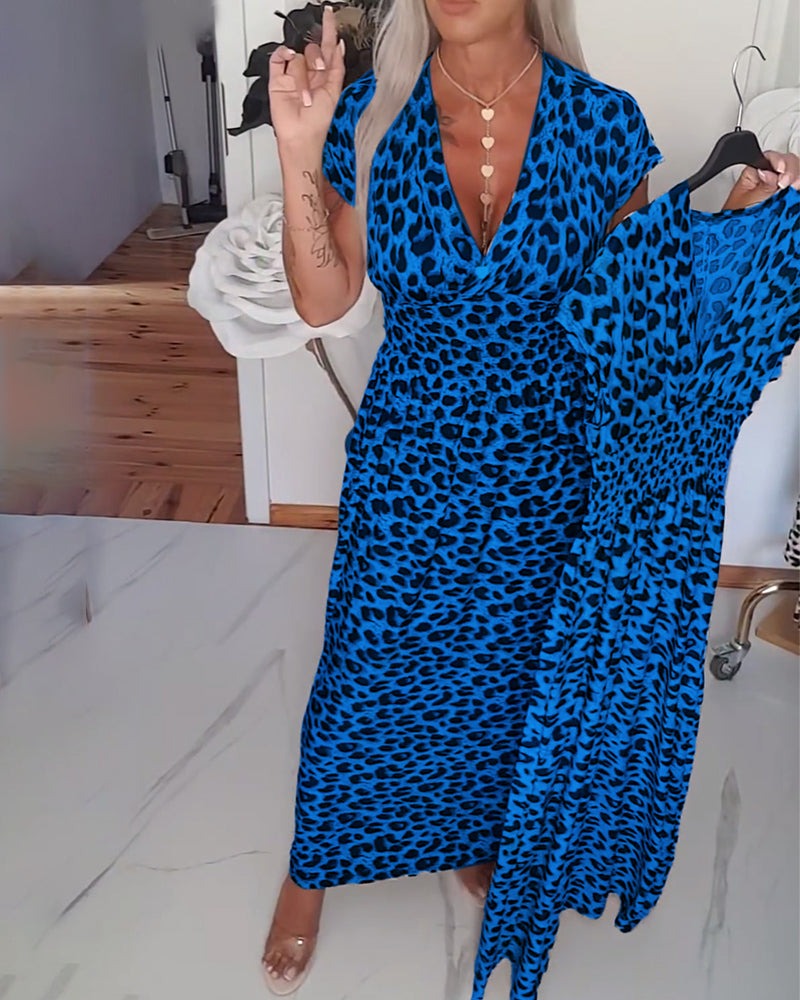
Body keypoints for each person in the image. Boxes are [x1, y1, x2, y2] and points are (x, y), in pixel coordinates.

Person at [260, 1, 800, 994]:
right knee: (366, 671)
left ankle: (475, 831)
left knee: (506, 675)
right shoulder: (374, 117)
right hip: (410, 463)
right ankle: (312, 869)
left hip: (551, 466)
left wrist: (734, 218)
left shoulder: (602, 124)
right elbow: (322, 299)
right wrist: (300, 148)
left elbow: (641, 302)